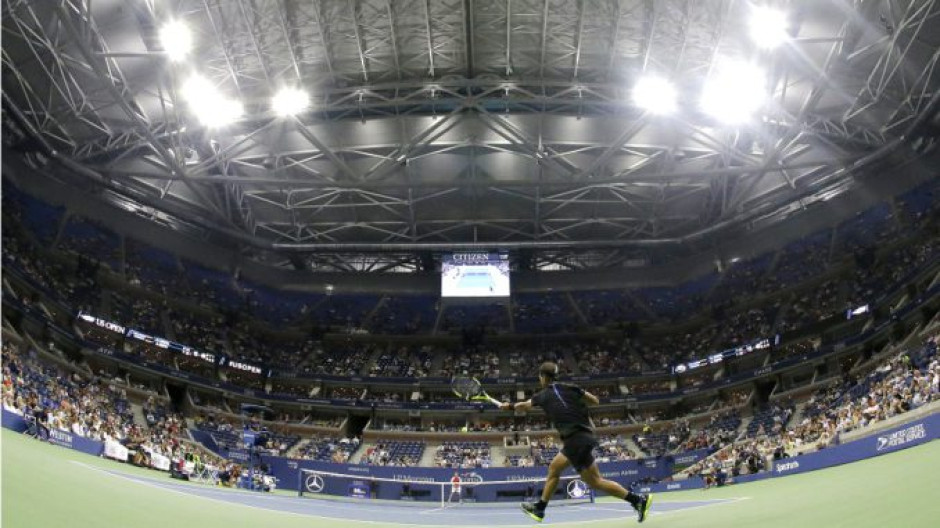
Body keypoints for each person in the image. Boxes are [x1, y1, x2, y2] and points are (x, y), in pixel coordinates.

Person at [501, 362, 652, 523]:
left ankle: (540, 509)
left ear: (544, 377)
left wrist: (508, 406)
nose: (540, 380)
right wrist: (574, 403)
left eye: (540, 377)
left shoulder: (542, 395)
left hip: (574, 438)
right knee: (596, 482)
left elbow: (523, 406)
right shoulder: (571, 387)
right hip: (586, 436)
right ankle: (638, 501)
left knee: (554, 469)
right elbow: (595, 401)